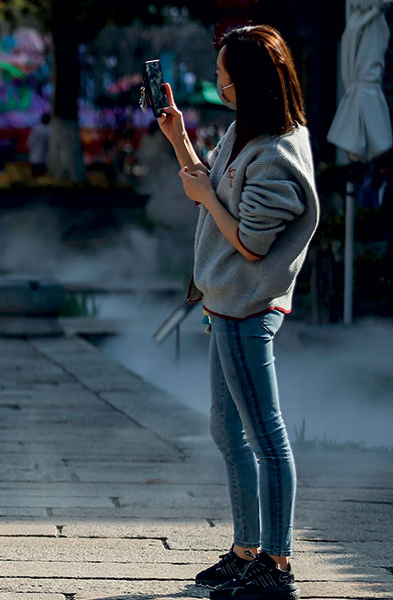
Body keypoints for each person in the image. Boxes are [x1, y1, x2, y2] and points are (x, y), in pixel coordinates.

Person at [156, 25, 317, 600]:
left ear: (251, 83)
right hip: (226, 302)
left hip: (249, 305)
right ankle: (247, 550)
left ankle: (277, 565)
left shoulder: (275, 152)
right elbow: (211, 186)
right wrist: (178, 139)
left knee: (266, 436)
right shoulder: (246, 132)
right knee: (229, 431)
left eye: (225, 80)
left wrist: (204, 199)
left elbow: (250, 242)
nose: (219, 87)